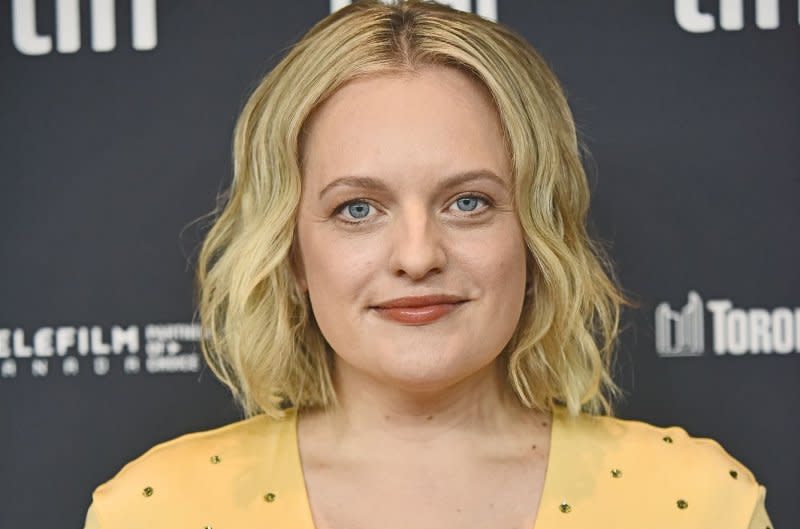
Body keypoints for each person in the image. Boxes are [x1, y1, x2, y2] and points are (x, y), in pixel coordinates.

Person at [83, 1, 774, 528]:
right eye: (358, 208)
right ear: (291, 250)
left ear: (535, 232)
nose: (418, 255)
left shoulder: (695, 503)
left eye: (468, 201)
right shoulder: (157, 508)